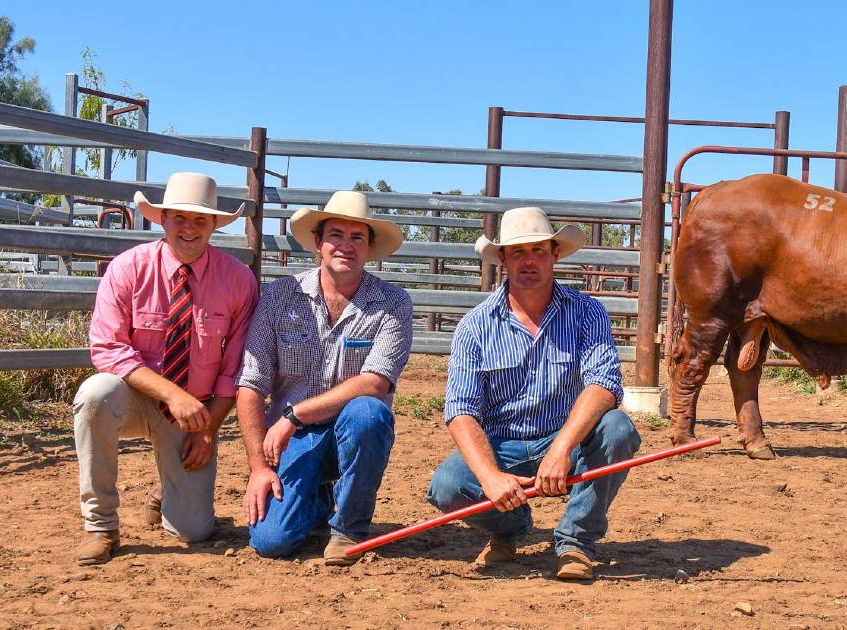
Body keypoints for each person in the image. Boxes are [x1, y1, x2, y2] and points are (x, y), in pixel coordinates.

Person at [426, 206, 641, 581]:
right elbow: (461, 411)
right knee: (448, 487)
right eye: (518, 252)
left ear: (555, 254)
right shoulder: (474, 327)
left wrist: (560, 450)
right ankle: (509, 528)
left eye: (538, 250)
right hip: (502, 445)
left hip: (566, 438)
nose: (529, 261)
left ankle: (576, 541)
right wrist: (491, 477)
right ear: (503, 259)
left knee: (617, 429)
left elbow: (604, 384)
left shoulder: (587, 313)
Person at [73, 172, 258, 565]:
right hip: (135, 398)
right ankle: (101, 526)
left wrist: (208, 427)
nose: (189, 229)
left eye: (200, 220)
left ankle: (165, 492)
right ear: (162, 219)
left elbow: (236, 368)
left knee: (193, 531)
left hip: (195, 413)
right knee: (94, 395)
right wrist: (173, 395)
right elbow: (107, 348)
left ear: (213, 226)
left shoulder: (239, 281)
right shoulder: (128, 268)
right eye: (180, 218)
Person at [237, 190, 412, 565]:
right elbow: (252, 382)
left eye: (357, 237)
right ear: (318, 242)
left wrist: (293, 414)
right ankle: (317, 499)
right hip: (293, 439)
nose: (345, 246)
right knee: (272, 542)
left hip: (340, 427)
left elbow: (375, 382)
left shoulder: (393, 303)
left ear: (369, 247)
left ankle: (349, 527)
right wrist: (258, 467)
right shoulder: (280, 296)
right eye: (336, 235)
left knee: (368, 412)